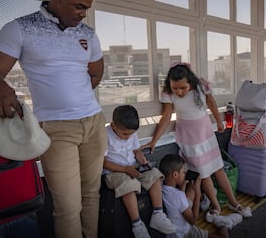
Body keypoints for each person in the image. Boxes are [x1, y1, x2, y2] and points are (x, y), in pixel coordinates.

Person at [0, 0, 107, 238]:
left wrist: (75, 96)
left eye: (87, 8)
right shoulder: (21, 28)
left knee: (92, 194)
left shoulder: (88, 34)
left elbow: (95, 73)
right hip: (57, 130)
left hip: (94, 122)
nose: (84, 14)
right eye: (79, 6)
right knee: (68, 207)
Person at [141, 62, 252, 224]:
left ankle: (234, 202)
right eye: (175, 88)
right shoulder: (167, 93)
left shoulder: (201, 85)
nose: (179, 92)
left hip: (205, 132)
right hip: (188, 137)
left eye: (183, 88)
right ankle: (216, 206)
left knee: (218, 167)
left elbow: (211, 103)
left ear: (190, 83)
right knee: (204, 172)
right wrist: (154, 140)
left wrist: (219, 122)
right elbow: (166, 116)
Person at [103, 105, 176, 238]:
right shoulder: (105, 135)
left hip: (132, 167)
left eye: (131, 134)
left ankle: (158, 214)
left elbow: (136, 150)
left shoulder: (131, 133)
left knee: (155, 175)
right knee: (128, 185)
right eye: (125, 134)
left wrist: (142, 159)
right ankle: (137, 225)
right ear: (113, 126)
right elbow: (103, 162)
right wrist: (125, 169)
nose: (128, 137)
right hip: (113, 172)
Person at [159, 154, 243, 238]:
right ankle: (223, 224)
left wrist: (183, 185)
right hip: (186, 232)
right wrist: (198, 192)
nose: (185, 175)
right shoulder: (178, 196)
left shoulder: (162, 189)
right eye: (183, 172)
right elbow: (193, 220)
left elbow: (177, 201)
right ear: (175, 174)